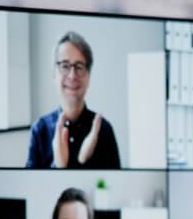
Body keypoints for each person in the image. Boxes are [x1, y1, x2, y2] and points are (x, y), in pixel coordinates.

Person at [25, 31, 122, 169]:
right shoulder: (40, 130)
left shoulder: (104, 130)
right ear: (54, 74)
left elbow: (114, 186)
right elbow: (31, 187)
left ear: (88, 76)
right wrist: (58, 165)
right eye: (64, 66)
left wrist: (85, 161)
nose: (72, 75)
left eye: (79, 66)